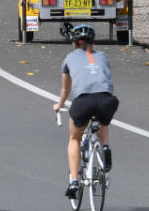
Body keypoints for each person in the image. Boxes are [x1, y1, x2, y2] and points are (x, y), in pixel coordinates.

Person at [53, 24, 119, 199]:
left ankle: (74, 181)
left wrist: (59, 105)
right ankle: (105, 147)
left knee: (74, 138)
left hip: (83, 101)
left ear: (74, 44)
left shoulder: (69, 59)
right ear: (93, 42)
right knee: (103, 120)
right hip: (107, 100)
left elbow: (66, 90)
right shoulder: (103, 56)